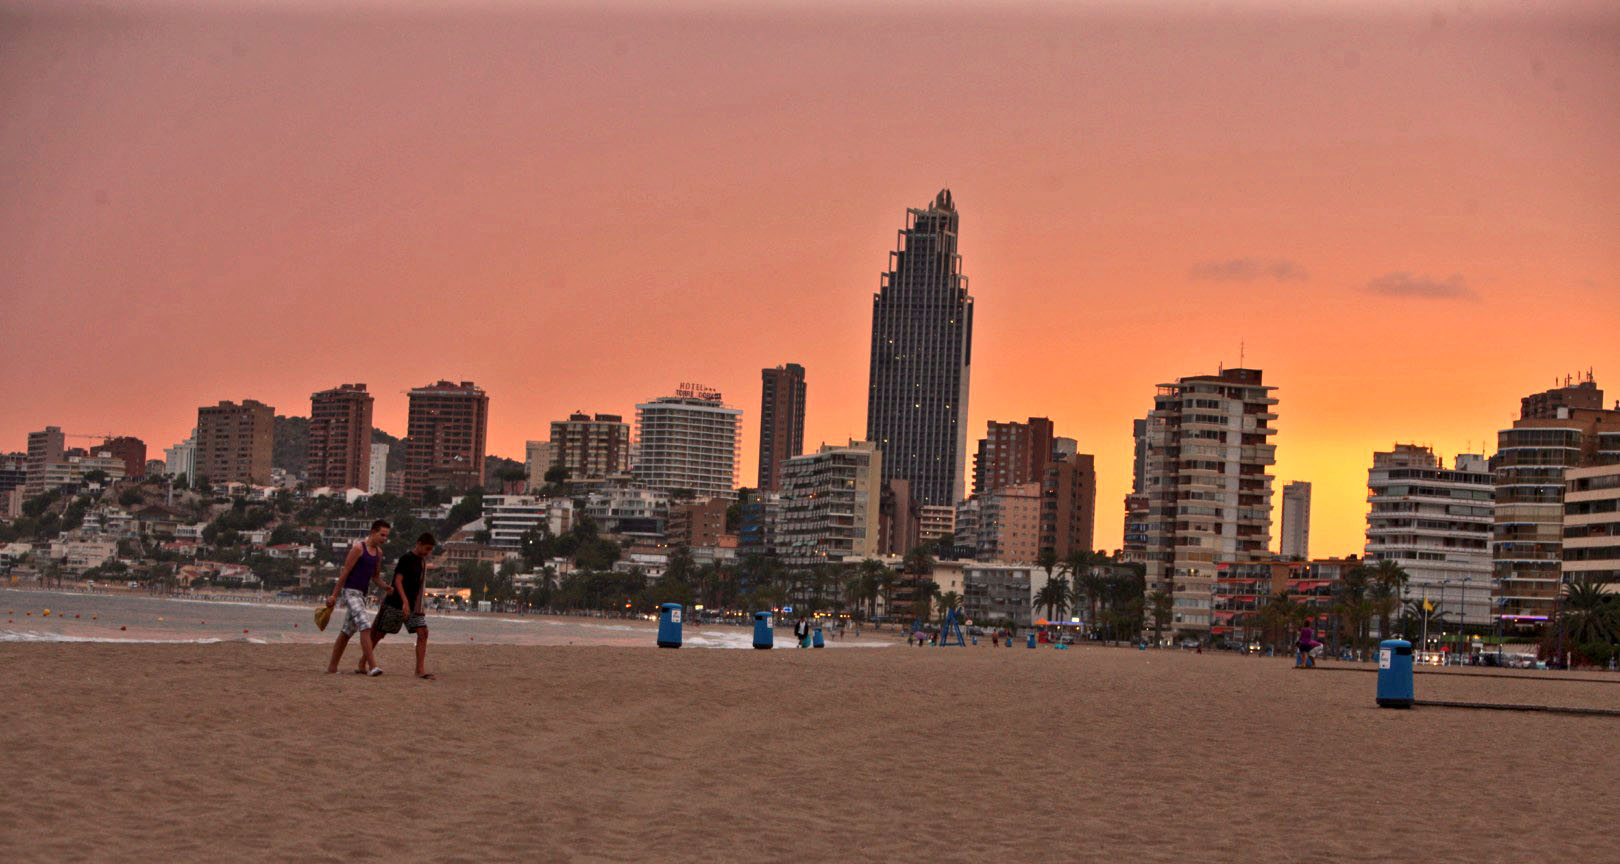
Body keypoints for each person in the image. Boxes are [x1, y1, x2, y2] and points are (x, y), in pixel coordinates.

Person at [325, 520, 392, 675]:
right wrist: (334, 595)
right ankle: (372, 666)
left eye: (386, 536)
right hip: (350, 592)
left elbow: (375, 576)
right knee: (365, 624)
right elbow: (345, 572)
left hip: (361, 594)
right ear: (372, 532)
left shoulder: (379, 553)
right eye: (382, 535)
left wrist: (386, 587)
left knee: (347, 631)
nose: (384, 538)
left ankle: (332, 668)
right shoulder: (358, 548)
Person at [369, 532, 436, 680]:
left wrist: (416, 606)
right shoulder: (406, 559)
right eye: (426, 548)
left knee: (423, 633)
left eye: (430, 550)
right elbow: (397, 581)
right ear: (418, 544)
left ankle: (419, 670)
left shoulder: (422, 562)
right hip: (395, 603)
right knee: (379, 634)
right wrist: (405, 601)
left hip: (414, 607)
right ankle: (364, 661)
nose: (428, 552)